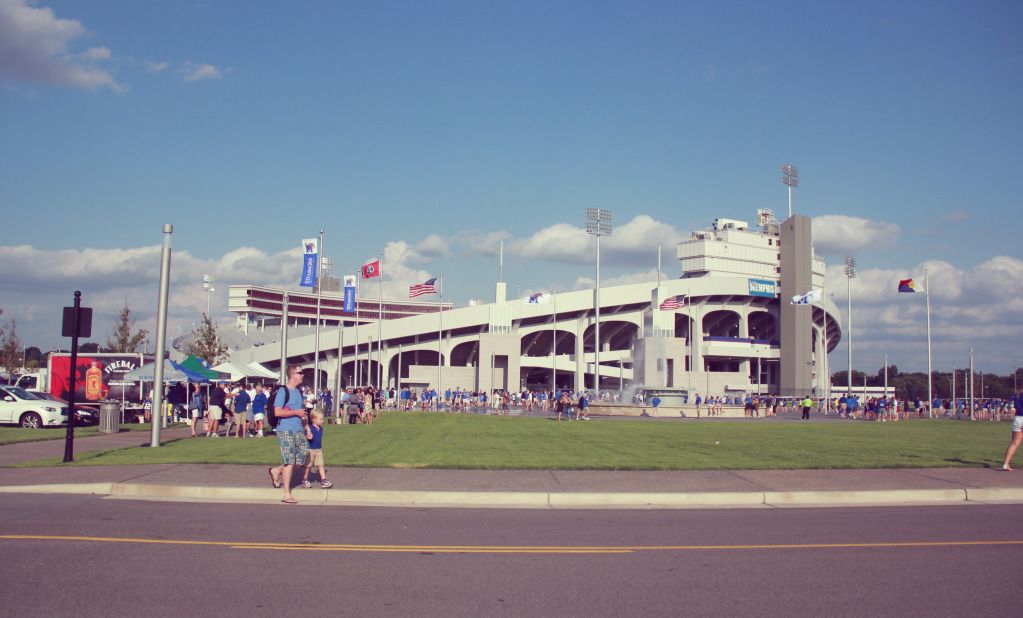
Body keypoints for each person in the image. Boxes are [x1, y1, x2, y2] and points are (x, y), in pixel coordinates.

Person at [268, 366, 311, 504]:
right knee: (289, 461)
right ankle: (286, 494)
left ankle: (276, 471)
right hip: (285, 429)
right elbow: (278, 412)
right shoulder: (283, 391)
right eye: (300, 373)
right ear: (293, 375)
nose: (302, 375)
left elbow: (302, 412)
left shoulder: (298, 391)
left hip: (299, 429)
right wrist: (295, 413)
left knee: (302, 456)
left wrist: (307, 428)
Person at [301, 409, 334, 489]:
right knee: (308, 465)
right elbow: (305, 437)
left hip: (319, 449)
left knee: (321, 464)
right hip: (311, 450)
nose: (322, 421)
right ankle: (305, 480)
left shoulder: (320, 428)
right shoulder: (310, 428)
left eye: (322, 419)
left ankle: (323, 480)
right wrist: (307, 437)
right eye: (320, 419)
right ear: (313, 419)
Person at [1000, 389, 1023, 471]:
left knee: (1014, 443)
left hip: (1017, 419)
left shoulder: (1016, 396)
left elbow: (1009, 403)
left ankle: (1006, 463)